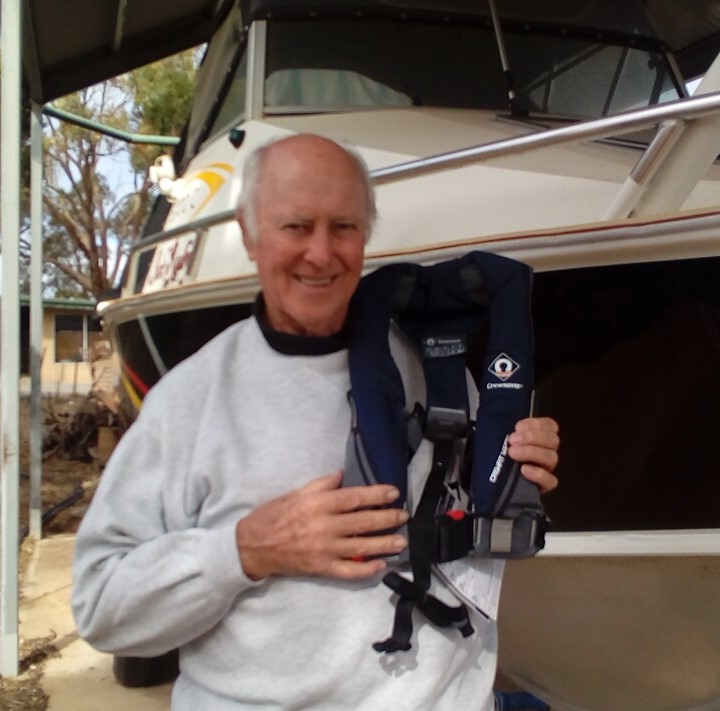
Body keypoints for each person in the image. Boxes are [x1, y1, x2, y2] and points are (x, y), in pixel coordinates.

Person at [72, 134, 559, 711]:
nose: (321, 254)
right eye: (296, 227)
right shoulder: (189, 401)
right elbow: (101, 605)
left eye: (343, 227)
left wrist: (526, 466)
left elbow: (474, 524)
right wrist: (247, 550)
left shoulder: (434, 366)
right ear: (251, 237)